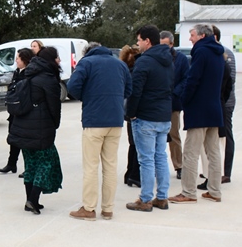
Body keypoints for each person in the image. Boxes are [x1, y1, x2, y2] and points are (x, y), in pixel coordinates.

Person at [66, 42, 132, 220]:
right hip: (116, 119)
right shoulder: (120, 64)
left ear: (87, 52)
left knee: (91, 167)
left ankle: (89, 208)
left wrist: (87, 97)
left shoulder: (86, 63)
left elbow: (72, 86)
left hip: (94, 120)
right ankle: (108, 209)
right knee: (110, 166)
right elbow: (129, 89)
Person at [170, 24, 225, 204]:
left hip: (199, 109)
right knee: (213, 152)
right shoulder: (219, 52)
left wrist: (185, 99)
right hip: (214, 108)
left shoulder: (200, 52)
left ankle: (188, 192)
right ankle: (215, 191)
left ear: (201, 36)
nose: (190, 39)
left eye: (192, 35)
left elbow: (193, 79)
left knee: (191, 153)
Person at [124, 25, 174, 213]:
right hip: (163, 116)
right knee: (160, 156)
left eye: (139, 40)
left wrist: (131, 113)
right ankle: (161, 197)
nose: (137, 44)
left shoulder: (144, 62)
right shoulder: (169, 60)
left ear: (147, 41)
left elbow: (135, 91)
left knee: (146, 159)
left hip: (146, 117)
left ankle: (145, 199)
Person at [8, 46, 64, 215]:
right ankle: (33, 199)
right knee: (45, 163)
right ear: (51, 60)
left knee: (30, 163)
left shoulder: (27, 73)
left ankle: (30, 201)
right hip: (41, 127)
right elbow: (54, 106)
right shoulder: (48, 78)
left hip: (22, 125)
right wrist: (55, 124)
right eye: (57, 57)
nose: (59, 60)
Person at [0, 48, 34, 174]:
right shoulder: (17, 72)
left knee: (24, 141)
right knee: (13, 138)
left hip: (24, 112)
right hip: (14, 111)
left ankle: (28, 168)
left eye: (18, 58)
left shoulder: (29, 73)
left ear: (24, 60)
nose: (16, 61)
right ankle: (11, 164)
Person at [160, 30, 189, 179]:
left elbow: (186, 78)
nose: (164, 48)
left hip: (173, 103)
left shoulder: (181, 59)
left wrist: (175, 93)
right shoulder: (156, 58)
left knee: (174, 135)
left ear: (172, 44)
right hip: (158, 103)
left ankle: (179, 166)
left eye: (166, 45)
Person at [213, 24, 236, 183]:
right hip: (216, 102)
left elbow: (230, 80)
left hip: (225, 103)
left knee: (226, 135)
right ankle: (214, 170)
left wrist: (221, 99)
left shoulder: (226, 53)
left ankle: (226, 172)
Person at [119, 44, 141, 188]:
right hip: (137, 112)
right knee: (139, 145)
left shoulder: (124, 73)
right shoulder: (137, 73)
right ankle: (134, 175)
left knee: (132, 144)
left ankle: (129, 174)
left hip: (128, 113)